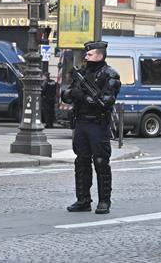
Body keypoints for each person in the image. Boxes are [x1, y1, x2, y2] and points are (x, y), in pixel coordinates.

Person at [61, 40, 121, 215]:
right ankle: (83, 200)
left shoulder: (110, 75)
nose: (86, 57)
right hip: (81, 123)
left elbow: (106, 101)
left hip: (97, 124)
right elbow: (66, 95)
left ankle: (104, 201)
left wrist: (85, 97)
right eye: (86, 54)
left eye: (90, 54)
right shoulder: (82, 74)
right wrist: (73, 93)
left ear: (100, 55)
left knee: (101, 162)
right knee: (81, 161)